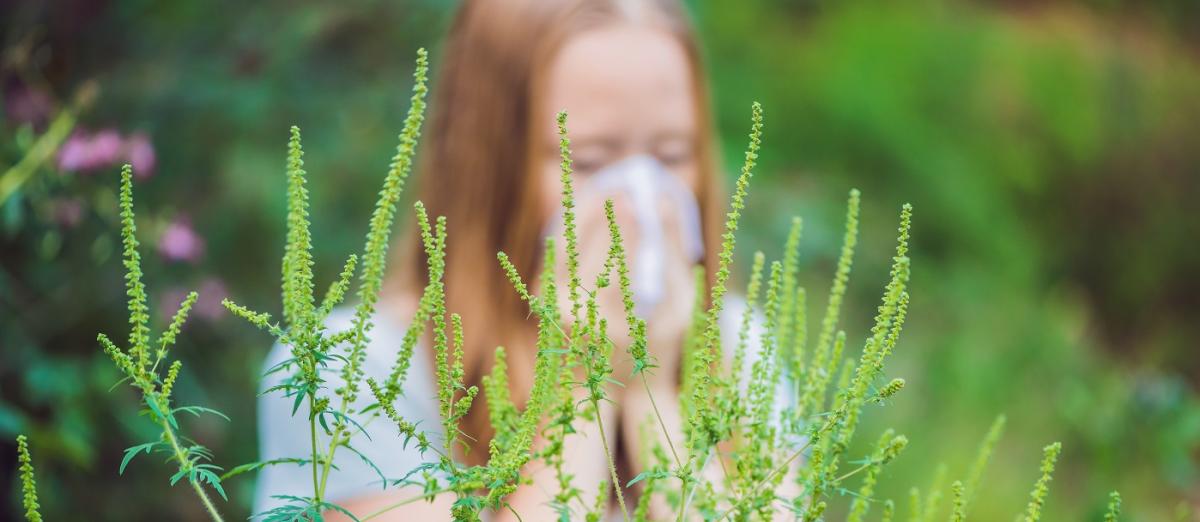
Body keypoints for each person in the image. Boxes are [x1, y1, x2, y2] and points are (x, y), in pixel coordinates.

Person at [254, 0, 785, 519]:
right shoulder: (351, 374)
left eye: (671, 155)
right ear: (488, 167)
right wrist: (582, 380)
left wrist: (652, 389)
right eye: (590, 159)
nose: (636, 198)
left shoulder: (743, 352)